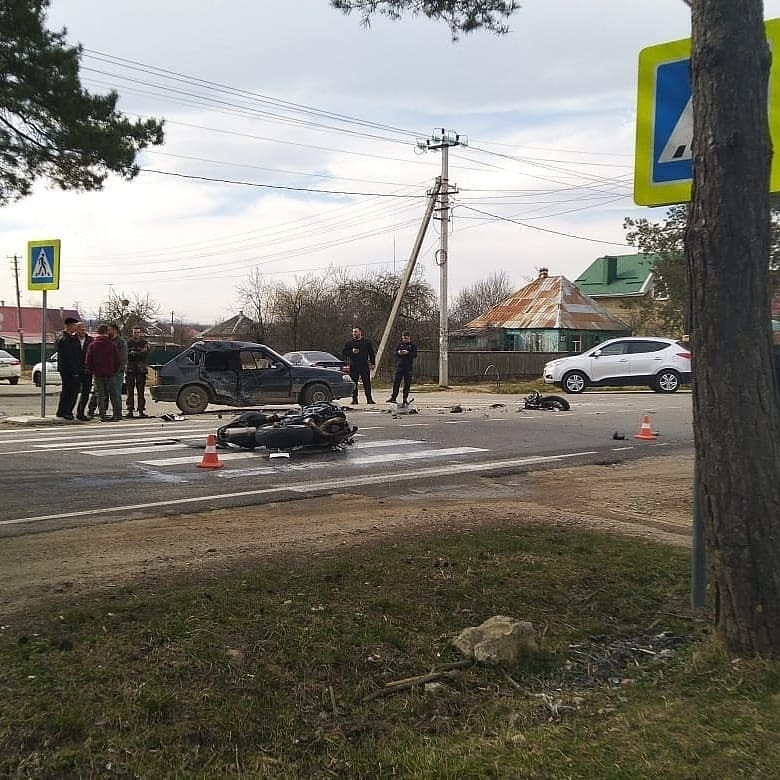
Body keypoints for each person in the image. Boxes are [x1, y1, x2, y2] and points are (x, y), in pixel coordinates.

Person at [85, 324, 122, 422]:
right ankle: (116, 414)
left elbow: (88, 361)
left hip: (98, 374)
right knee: (113, 395)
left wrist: (93, 370)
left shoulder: (92, 345)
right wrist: (114, 371)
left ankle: (102, 415)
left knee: (100, 395)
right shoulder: (112, 344)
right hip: (110, 373)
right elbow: (118, 360)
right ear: (107, 332)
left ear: (98, 332)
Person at [55, 317, 81, 420]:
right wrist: (75, 371)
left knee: (67, 390)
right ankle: (66, 411)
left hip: (68, 369)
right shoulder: (65, 339)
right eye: (75, 325)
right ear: (70, 325)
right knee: (71, 391)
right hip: (68, 370)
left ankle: (62, 411)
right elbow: (69, 356)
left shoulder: (70, 337)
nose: (76, 327)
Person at [342, 326, 375, 404]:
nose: (354, 333)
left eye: (356, 332)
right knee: (354, 383)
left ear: (360, 332)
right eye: (353, 332)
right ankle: (354, 399)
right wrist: (352, 351)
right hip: (354, 365)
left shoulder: (366, 342)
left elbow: (371, 353)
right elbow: (344, 352)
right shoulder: (350, 343)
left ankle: (369, 399)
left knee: (367, 382)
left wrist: (373, 363)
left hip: (364, 365)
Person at [386, 331, 418, 406]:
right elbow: (395, 353)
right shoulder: (400, 344)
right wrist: (399, 353)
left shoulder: (412, 346)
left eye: (406, 338)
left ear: (409, 337)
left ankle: (405, 398)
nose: (405, 340)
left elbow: (414, 355)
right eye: (403, 338)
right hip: (399, 367)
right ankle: (393, 397)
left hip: (408, 367)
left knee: (407, 384)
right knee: (396, 383)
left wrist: (408, 353)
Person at [124, 325, 150, 418]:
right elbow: (126, 354)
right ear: (132, 333)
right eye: (135, 332)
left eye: (138, 332)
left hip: (141, 370)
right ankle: (130, 410)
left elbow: (145, 354)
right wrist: (137, 353)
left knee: (141, 392)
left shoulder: (144, 342)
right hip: (130, 369)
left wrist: (134, 353)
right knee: (130, 391)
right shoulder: (128, 342)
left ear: (140, 333)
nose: (136, 334)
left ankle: (141, 410)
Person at [107, 323, 127, 420]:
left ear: (115, 330)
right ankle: (114, 413)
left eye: (109, 329)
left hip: (117, 371)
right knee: (110, 392)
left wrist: (119, 369)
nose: (108, 332)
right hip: (109, 371)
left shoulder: (121, 342)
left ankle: (117, 413)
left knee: (116, 393)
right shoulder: (108, 340)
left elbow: (123, 357)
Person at [74, 322, 94, 421]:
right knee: (73, 391)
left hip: (87, 370)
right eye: (80, 329)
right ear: (76, 329)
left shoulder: (90, 340)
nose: (82, 331)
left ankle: (80, 412)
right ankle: (68, 412)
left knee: (86, 391)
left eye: (83, 329)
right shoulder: (72, 340)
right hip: (76, 369)